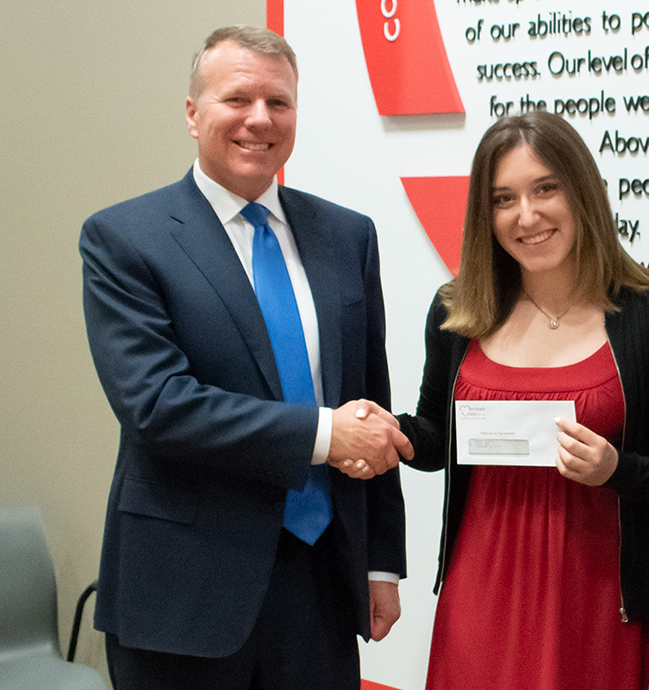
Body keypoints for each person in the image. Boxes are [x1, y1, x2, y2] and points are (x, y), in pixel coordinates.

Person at [80, 25, 411, 689]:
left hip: (320, 580)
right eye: (238, 99)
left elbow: (368, 399)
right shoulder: (124, 238)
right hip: (185, 591)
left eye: (279, 103)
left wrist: (380, 563)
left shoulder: (347, 235)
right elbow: (157, 406)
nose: (260, 119)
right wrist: (324, 434)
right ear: (192, 112)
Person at [392, 111, 649, 689]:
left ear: (581, 192)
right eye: (503, 198)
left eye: (545, 189)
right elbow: (437, 438)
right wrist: (390, 435)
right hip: (479, 592)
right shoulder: (455, 314)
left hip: (601, 606)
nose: (526, 216)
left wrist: (618, 469)